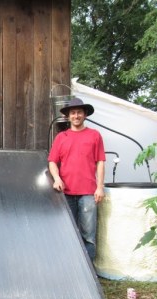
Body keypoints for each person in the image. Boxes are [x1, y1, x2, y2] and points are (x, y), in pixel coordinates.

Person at [48, 98, 105, 261]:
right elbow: (52, 161)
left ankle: (89, 272)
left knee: (88, 234)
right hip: (65, 192)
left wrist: (99, 187)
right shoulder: (61, 137)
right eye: (73, 113)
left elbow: (100, 162)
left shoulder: (95, 135)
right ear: (68, 116)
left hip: (88, 192)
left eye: (79, 112)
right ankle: (69, 266)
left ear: (85, 114)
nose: (76, 115)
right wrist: (57, 178)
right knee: (67, 232)